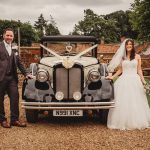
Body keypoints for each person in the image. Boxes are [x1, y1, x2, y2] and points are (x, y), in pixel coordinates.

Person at [106, 38, 150, 130]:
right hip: (124, 80)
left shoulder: (137, 57)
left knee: (136, 101)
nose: (129, 46)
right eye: (127, 44)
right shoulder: (123, 57)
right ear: (125, 46)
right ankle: (122, 122)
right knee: (123, 101)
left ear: (133, 46)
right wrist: (112, 77)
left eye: (130, 44)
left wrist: (144, 81)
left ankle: (136, 122)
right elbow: (120, 70)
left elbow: (139, 70)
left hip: (135, 80)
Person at [0, 28, 30, 128]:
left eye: (11, 36)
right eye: (7, 35)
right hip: (1, 78)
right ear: (3, 36)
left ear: (13, 37)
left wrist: (26, 73)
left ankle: (14, 120)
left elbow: (19, 63)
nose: (9, 37)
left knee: (15, 98)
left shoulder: (14, 48)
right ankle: (3, 120)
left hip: (12, 78)